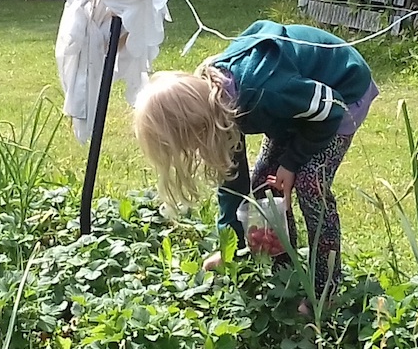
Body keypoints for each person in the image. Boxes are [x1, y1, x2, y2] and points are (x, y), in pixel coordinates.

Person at [132, 21, 377, 296]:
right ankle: (286, 279)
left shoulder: (264, 90)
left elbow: (330, 109)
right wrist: (231, 246)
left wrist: (292, 162)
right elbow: (231, 176)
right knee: (265, 186)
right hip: (296, 106)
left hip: (342, 90)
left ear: (195, 126)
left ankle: (324, 290)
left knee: (310, 184)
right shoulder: (218, 109)